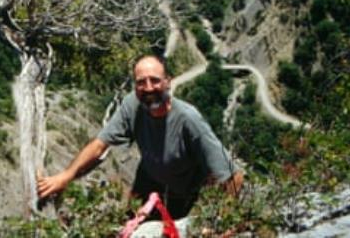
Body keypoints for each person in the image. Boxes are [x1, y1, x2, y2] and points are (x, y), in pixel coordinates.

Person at [36, 55, 243, 219]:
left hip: (185, 195)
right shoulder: (132, 105)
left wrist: (214, 222)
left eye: (155, 81)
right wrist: (65, 176)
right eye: (141, 82)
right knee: (128, 227)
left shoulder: (189, 121)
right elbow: (100, 145)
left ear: (168, 82)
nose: (148, 88)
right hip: (148, 183)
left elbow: (233, 176)